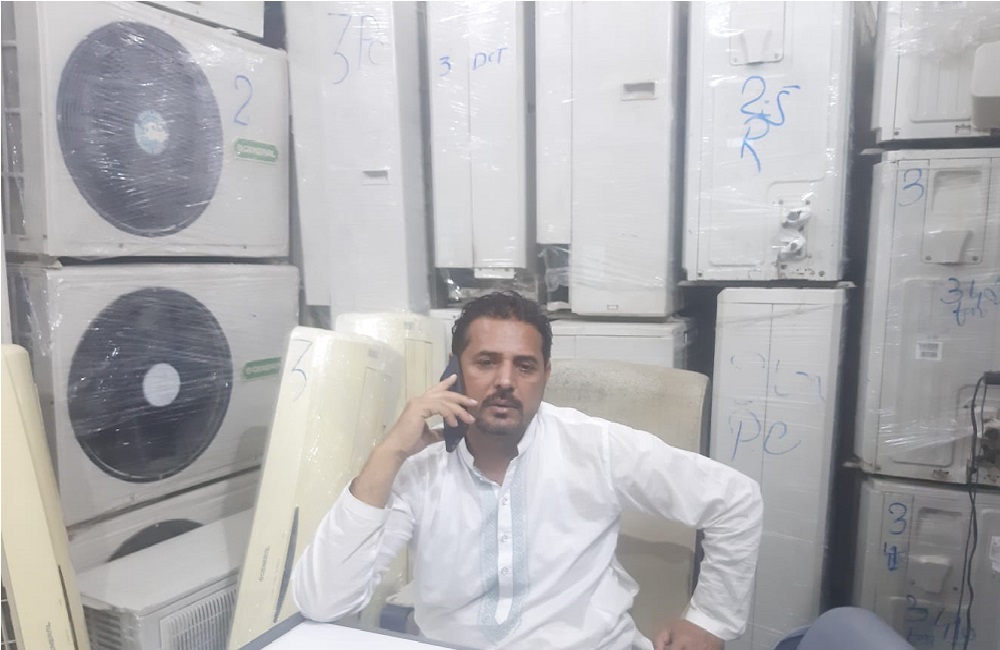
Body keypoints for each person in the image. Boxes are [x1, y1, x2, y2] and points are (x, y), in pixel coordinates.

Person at [292, 292, 763, 650]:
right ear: (453, 370)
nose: (505, 381)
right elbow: (324, 602)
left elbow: (735, 500)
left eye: (524, 366)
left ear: (545, 375)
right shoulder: (418, 469)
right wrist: (390, 450)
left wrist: (710, 621)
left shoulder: (594, 445)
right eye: (486, 362)